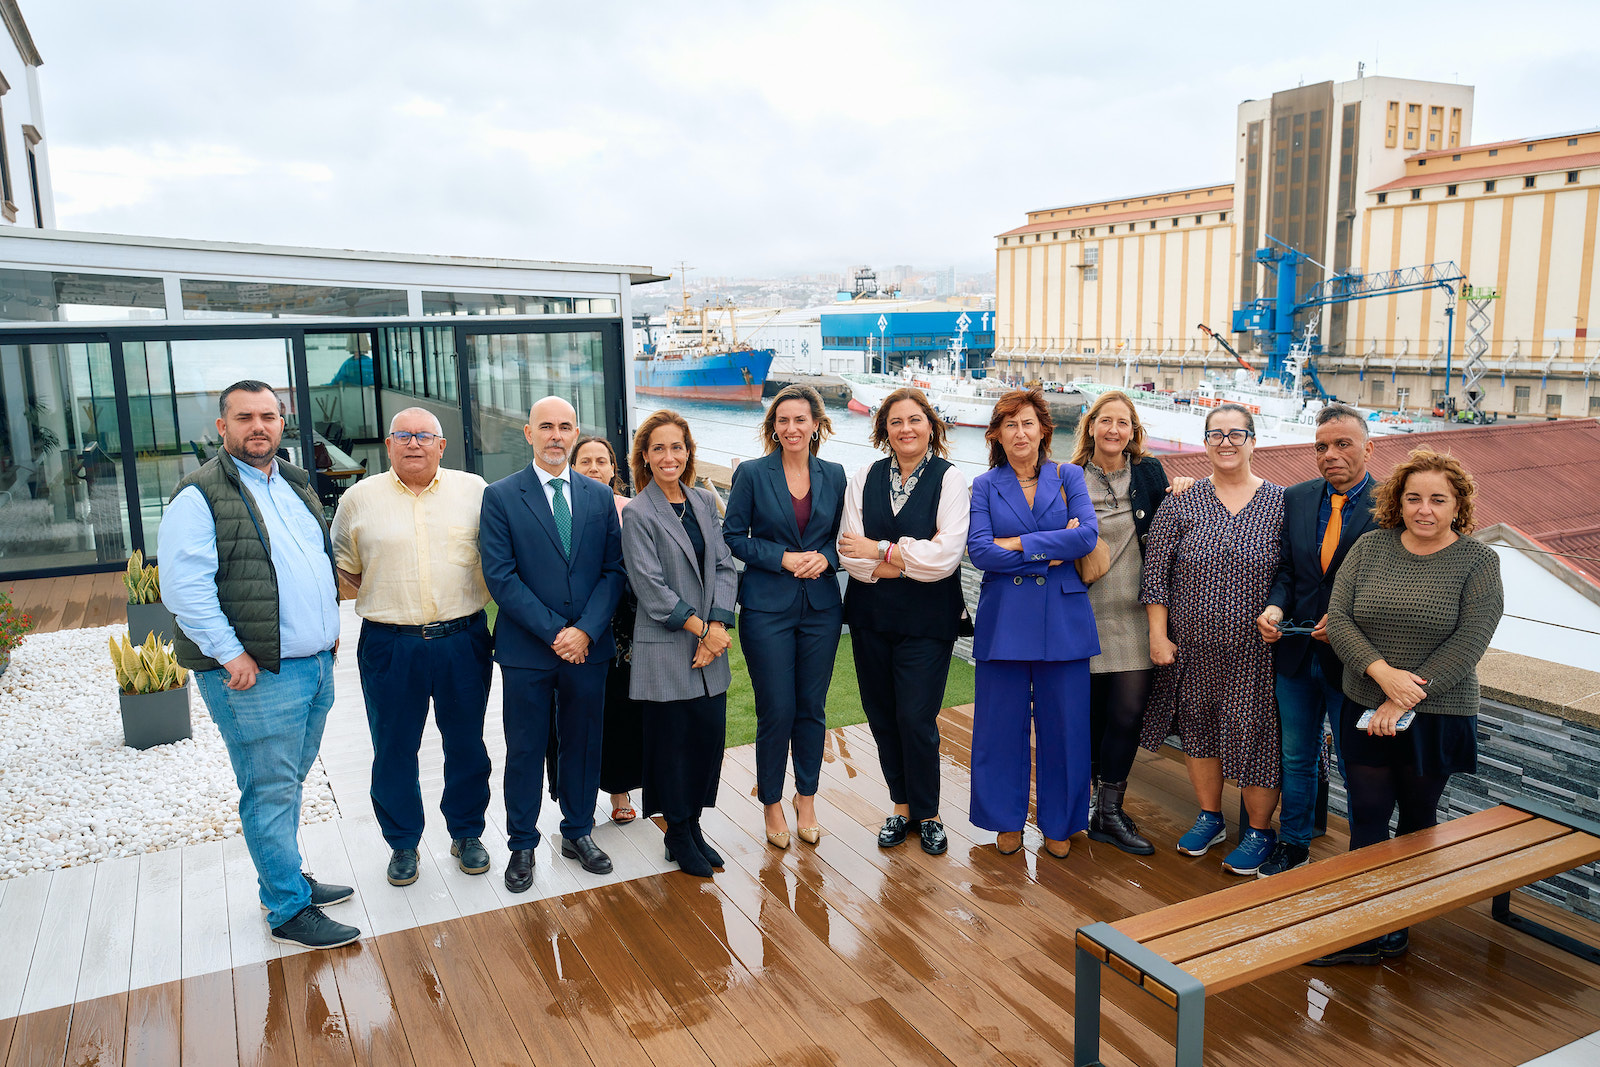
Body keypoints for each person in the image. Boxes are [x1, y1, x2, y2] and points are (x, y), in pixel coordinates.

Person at [161, 380, 357, 950]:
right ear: (222, 427)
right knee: (269, 788)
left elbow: (315, 563)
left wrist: (328, 631)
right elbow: (184, 588)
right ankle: (287, 909)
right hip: (256, 674)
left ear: (282, 422)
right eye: (244, 417)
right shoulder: (198, 495)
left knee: (288, 783)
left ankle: (286, 876)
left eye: (268, 416)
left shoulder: (296, 483)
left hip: (313, 663)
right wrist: (230, 653)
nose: (259, 427)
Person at [1314, 449, 1502, 965]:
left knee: (1417, 817)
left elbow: (1470, 643)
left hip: (1437, 713)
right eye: (1414, 497)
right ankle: (1359, 926)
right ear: (1398, 500)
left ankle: (1396, 924)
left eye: (1438, 500)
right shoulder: (1371, 547)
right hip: (1365, 700)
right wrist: (1383, 677)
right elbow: (1341, 621)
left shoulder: (1480, 562)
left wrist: (1404, 700)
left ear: (1458, 505)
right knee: (1368, 816)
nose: (1425, 509)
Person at [331, 407, 493, 888]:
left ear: (442, 446)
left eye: (425, 435)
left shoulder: (474, 492)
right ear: (389, 444)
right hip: (389, 644)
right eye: (403, 435)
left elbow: (498, 555)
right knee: (393, 748)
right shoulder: (359, 499)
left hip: (462, 640)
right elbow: (346, 567)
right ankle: (403, 842)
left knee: (466, 743)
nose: (414, 443)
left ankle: (466, 833)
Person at [479, 396, 625, 890]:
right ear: (528, 433)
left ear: (576, 431)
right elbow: (501, 577)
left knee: (583, 744)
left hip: (590, 647)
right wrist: (556, 633)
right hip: (528, 651)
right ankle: (522, 844)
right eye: (546, 426)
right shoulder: (500, 497)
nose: (556, 435)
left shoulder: (598, 496)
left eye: (565, 426)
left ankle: (578, 831)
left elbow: (613, 571)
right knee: (524, 748)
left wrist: (585, 630)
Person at [1139, 403, 1286, 876]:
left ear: (1253, 442)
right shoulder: (1180, 501)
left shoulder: (1281, 503)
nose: (1226, 442)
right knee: (1199, 729)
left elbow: (1293, 573)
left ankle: (1260, 831)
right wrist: (1158, 637)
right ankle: (1210, 817)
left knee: (1257, 739)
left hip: (1256, 652)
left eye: (1237, 434)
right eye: (1216, 434)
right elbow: (1155, 575)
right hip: (1192, 646)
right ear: (1205, 443)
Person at [967, 389, 1100, 858]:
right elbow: (980, 551)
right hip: (1004, 620)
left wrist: (1019, 545)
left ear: (1044, 430)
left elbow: (1085, 536)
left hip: (1063, 619)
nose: (1019, 433)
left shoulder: (1070, 475)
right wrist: (1049, 547)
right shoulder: (984, 485)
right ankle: (1005, 820)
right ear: (996, 434)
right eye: (1009, 424)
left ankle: (1061, 822)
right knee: (998, 726)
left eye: (1027, 423)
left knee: (1066, 726)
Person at [839, 387, 970, 857]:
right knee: (881, 714)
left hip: (927, 621)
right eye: (896, 422)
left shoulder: (950, 479)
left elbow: (947, 557)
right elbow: (847, 551)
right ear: (884, 431)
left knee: (915, 716)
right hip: (871, 616)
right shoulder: (864, 476)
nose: (906, 429)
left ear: (930, 426)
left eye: (915, 420)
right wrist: (906, 561)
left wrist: (881, 551)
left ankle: (929, 813)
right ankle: (900, 806)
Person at [1255, 404, 1378, 877]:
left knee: (1355, 762)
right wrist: (1274, 607)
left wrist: (1347, 622)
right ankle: (1294, 843)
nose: (1331, 455)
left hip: (1354, 660)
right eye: (1322, 447)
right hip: (1295, 650)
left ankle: (1366, 856)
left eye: (1343, 444)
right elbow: (1288, 569)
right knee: (1297, 756)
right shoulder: (1298, 497)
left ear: (1369, 447)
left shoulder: (1391, 503)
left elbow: (1391, 581)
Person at [722, 384, 846, 849]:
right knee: (777, 707)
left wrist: (826, 558)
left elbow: (844, 536)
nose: (791, 428)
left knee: (812, 708)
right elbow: (733, 536)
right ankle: (772, 801)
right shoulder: (753, 474)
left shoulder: (834, 475)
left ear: (816, 424)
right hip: (766, 608)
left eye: (800, 419)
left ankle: (806, 797)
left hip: (821, 608)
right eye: (783, 420)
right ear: (773, 426)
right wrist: (783, 558)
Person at [1071, 391, 1191, 855]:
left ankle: (1110, 809)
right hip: (1085, 612)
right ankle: (1086, 806)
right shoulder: (1068, 476)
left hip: (1140, 615)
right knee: (1091, 716)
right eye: (1106, 421)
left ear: (1133, 431)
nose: (1114, 430)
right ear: (1092, 426)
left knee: (1126, 715)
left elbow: (1173, 526)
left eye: (1124, 422)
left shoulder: (1150, 472)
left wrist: (1183, 490)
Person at [620, 410, 738, 878]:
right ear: (644, 458)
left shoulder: (704, 502)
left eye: (677, 447)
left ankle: (692, 828)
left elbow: (726, 565)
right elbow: (650, 588)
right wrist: (703, 631)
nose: (669, 456)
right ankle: (677, 831)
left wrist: (719, 626)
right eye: (659, 449)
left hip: (710, 648)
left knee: (707, 742)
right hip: (669, 648)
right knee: (672, 747)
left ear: (688, 452)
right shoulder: (638, 513)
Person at [571, 434, 641, 824]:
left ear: (615, 469)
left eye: (602, 461)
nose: (594, 467)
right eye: (586, 461)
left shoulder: (630, 509)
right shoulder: (563, 507)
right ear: (573, 467)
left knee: (620, 711)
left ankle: (619, 791)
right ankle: (575, 800)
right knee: (579, 713)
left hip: (625, 628)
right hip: (577, 627)